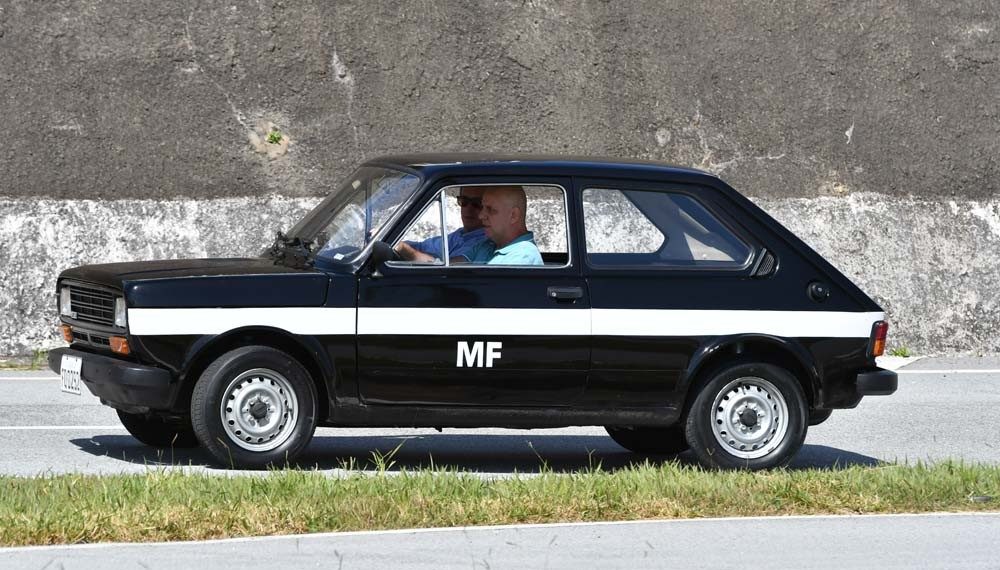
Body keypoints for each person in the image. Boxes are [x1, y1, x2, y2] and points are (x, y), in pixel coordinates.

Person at [395, 186, 487, 263]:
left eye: (477, 203)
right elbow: (423, 247)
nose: (468, 209)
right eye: (464, 201)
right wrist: (396, 245)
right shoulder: (459, 235)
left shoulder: (486, 243)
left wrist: (402, 248)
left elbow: (446, 269)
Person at [461, 186, 543, 266]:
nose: (481, 216)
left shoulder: (522, 257)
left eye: (490, 209)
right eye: (482, 207)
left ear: (513, 215)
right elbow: (456, 263)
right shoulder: (489, 244)